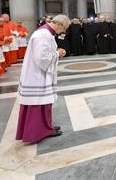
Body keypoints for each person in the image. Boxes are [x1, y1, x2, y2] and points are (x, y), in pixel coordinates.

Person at [16, 15, 70, 143]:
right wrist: (58, 53)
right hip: (37, 76)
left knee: (44, 103)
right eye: (64, 29)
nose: (63, 32)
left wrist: (55, 52)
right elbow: (42, 58)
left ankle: (46, 127)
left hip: (39, 74)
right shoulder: (43, 35)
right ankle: (38, 131)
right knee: (38, 103)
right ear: (60, 24)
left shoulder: (46, 33)